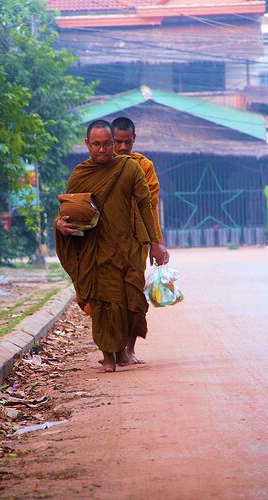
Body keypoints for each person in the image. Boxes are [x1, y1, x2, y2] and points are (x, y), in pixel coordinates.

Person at [55, 120, 168, 373]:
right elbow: (68, 209)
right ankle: (108, 356)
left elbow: (145, 207)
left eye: (107, 144)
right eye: (97, 144)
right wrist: (59, 225)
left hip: (128, 246)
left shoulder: (130, 169)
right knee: (104, 302)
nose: (103, 149)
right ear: (87, 144)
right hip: (95, 248)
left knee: (131, 300)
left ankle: (125, 350)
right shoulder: (81, 174)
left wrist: (155, 244)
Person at [111, 116, 168, 363]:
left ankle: (130, 349)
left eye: (127, 142)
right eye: (117, 142)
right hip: (106, 241)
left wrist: (155, 243)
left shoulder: (144, 166)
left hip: (135, 240)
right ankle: (112, 349)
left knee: (133, 294)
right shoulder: (98, 166)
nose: (123, 148)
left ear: (134, 139)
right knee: (110, 297)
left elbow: (150, 206)